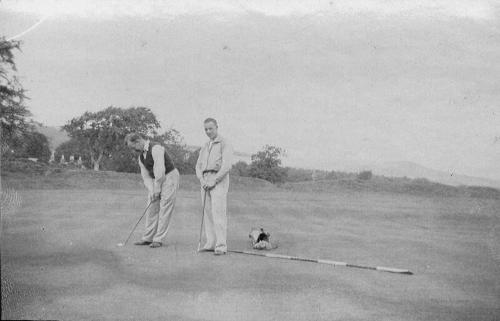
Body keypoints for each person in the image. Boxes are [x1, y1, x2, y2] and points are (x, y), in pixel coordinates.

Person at [125, 133, 180, 248]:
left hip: (169, 176)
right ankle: (148, 238)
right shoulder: (141, 158)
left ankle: (158, 239)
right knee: (151, 207)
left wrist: (158, 189)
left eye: (132, 147)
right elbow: (146, 177)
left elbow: (160, 171)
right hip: (156, 179)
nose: (133, 151)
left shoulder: (156, 148)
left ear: (138, 141)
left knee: (165, 207)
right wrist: (152, 191)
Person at [196, 118, 233, 255]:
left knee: (218, 213)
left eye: (210, 128)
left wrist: (214, 180)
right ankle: (210, 243)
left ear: (217, 127)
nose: (208, 131)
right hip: (205, 180)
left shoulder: (224, 143)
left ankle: (221, 245)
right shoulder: (205, 145)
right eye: (206, 129)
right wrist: (201, 179)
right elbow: (198, 165)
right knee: (207, 213)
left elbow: (227, 165)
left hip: (218, 179)